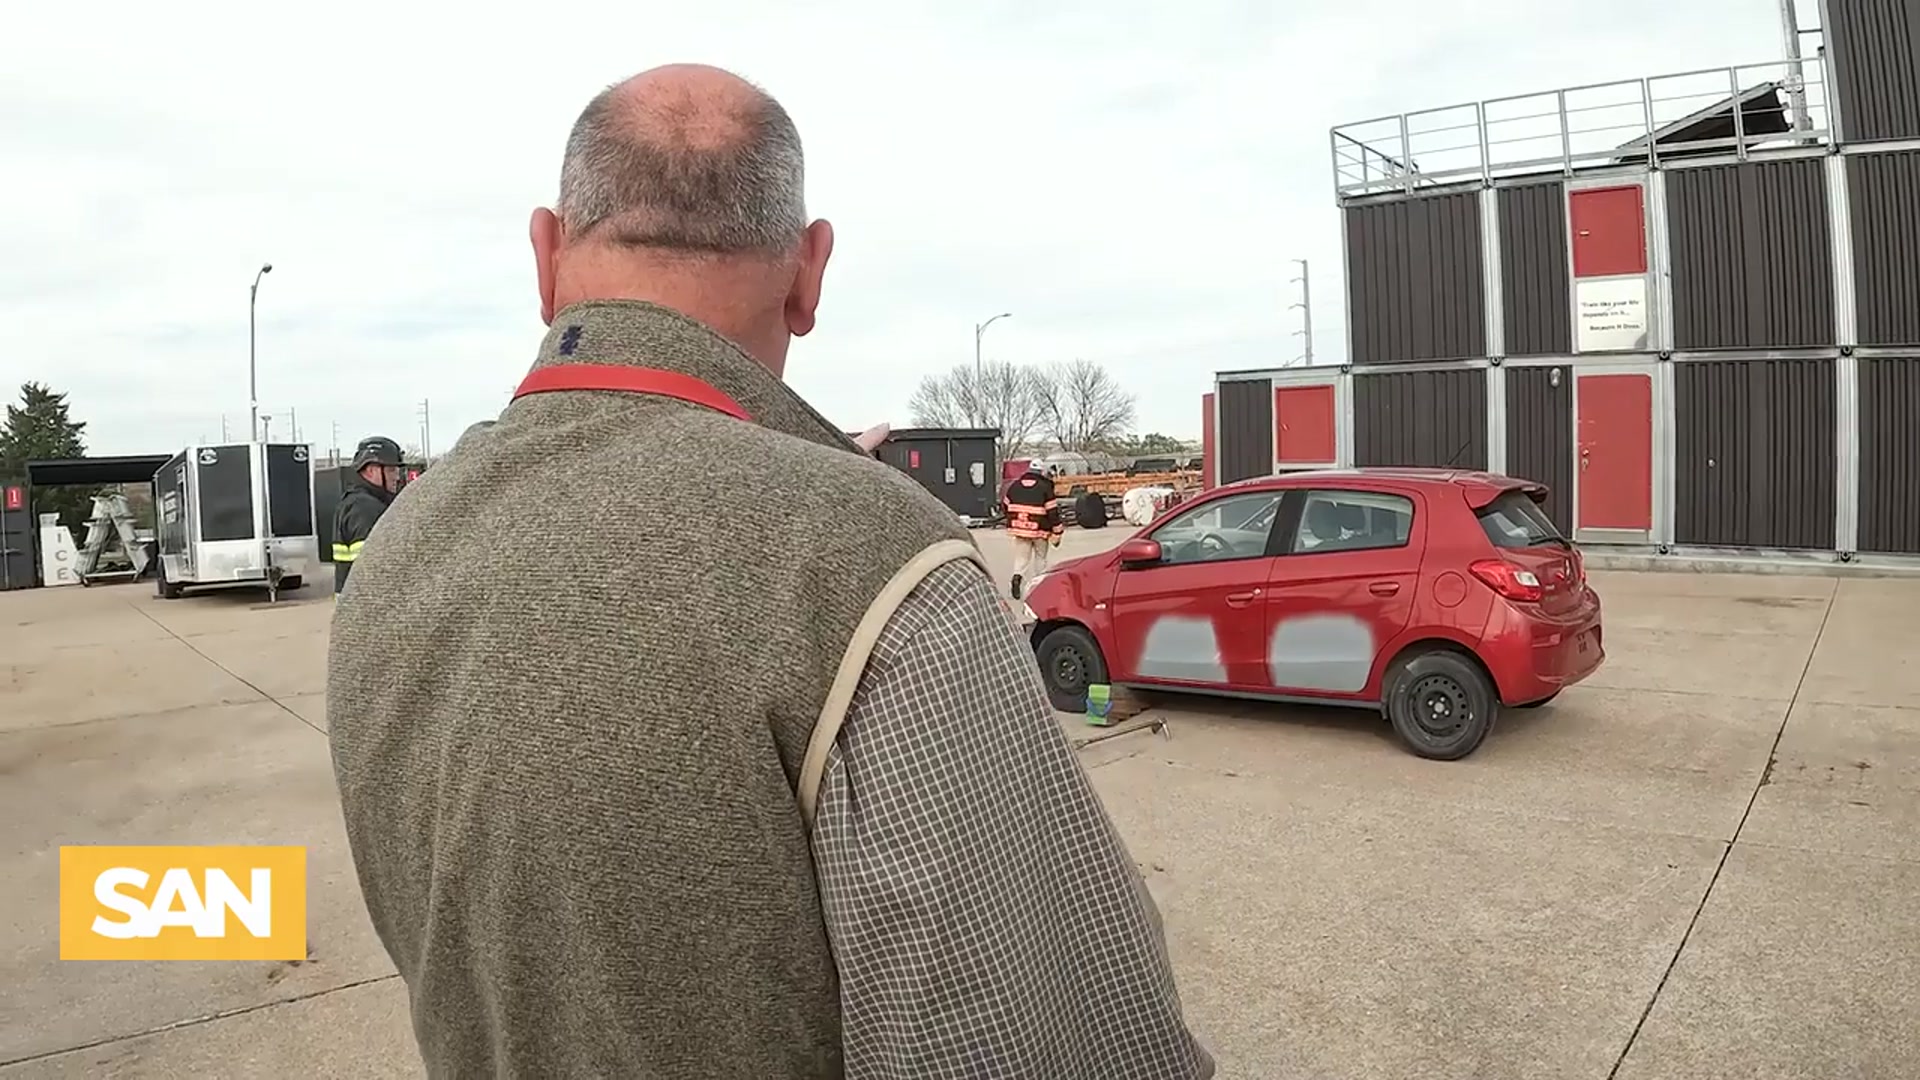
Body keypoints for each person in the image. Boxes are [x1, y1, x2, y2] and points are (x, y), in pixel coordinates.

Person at [327, 64, 1210, 1079]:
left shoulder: (403, 543)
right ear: (809, 273)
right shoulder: (867, 555)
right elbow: (1032, 1037)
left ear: (545, 255)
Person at [330, 435, 401, 595]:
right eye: (391, 470)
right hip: (366, 605)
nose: (397, 476)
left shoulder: (353, 501)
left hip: (354, 604)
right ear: (371, 470)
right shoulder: (366, 508)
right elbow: (375, 566)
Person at [1004, 462, 1064, 600]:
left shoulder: (1015, 486)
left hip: (1020, 528)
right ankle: (1039, 586)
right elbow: (1052, 511)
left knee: (1021, 558)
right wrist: (1057, 530)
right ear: (1042, 472)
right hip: (1040, 529)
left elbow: (1005, 505)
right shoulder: (1045, 487)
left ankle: (1017, 577)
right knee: (1040, 558)